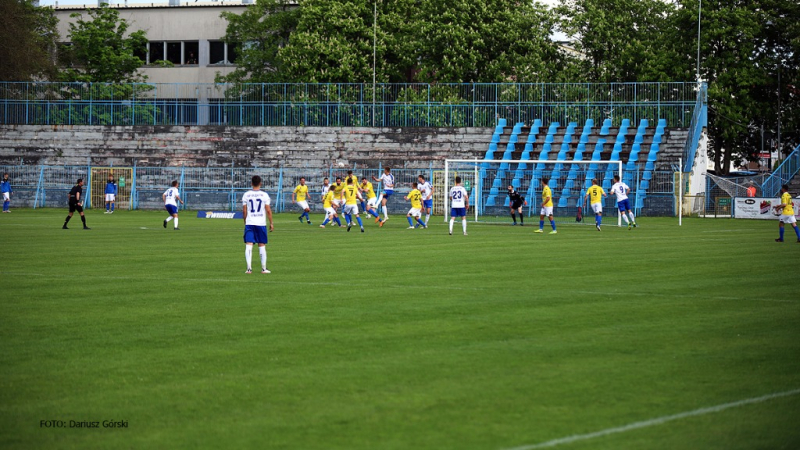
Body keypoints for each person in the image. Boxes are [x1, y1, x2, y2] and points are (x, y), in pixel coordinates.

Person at [242, 175, 274, 273]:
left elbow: (244, 210)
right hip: (261, 223)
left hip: (250, 223)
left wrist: (245, 221)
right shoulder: (264, 195)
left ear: (251, 183)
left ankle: (248, 269)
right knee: (262, 244)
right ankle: (263, 268)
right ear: (260, 183)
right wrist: (271, 223)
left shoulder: (246, 195)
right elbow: (268, 210)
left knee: (249, 244)